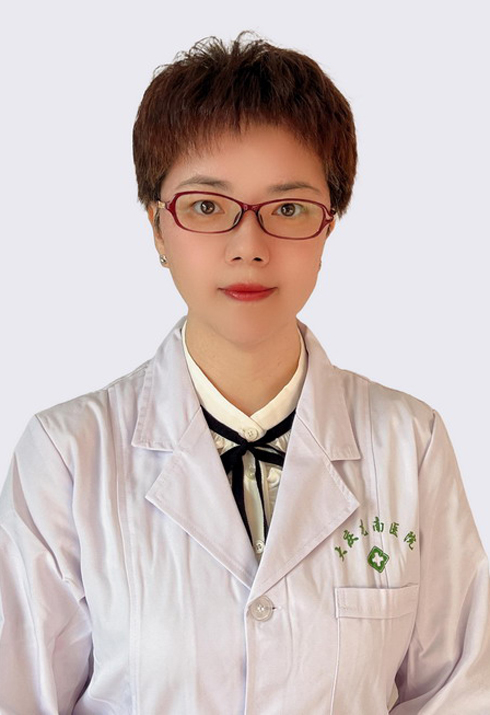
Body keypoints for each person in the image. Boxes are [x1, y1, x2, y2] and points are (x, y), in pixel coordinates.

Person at [0, 31, 489, 715]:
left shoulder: (410, 443)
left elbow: (460, 690)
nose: (249, 246)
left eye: (287, 209)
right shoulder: (68, 455)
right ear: (157, 226)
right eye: (207, 206)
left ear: (329, 224)